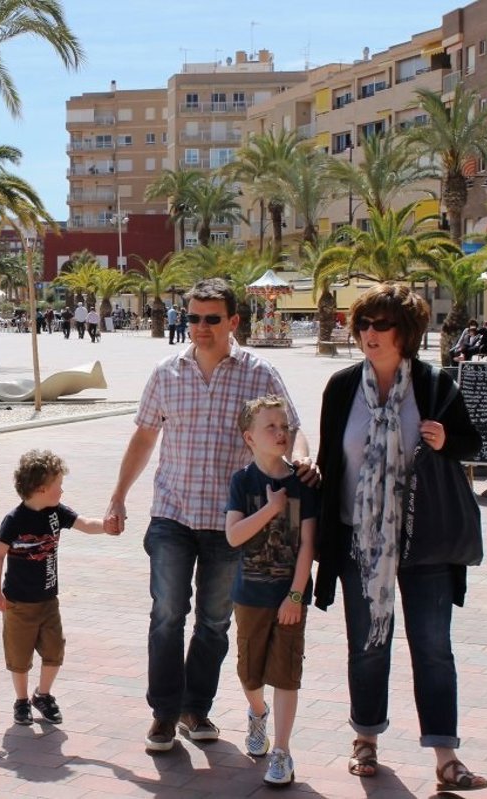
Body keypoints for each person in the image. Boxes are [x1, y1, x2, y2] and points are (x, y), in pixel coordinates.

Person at [104, 278, 312, 753]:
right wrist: (118, 496)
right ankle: (163, 714)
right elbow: (144, 437)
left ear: (233, 321)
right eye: (193, 317)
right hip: (172, 514)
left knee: (215, 621)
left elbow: (292, 427)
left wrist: (301, 457)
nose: (200, 326)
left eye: (211, 318)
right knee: (167, 614)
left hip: (230, 523)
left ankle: (195, 708)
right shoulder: (166, 372)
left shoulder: (259, 373)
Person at [314, 283, 487, 791]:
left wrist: (446, 440)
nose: (369, 333)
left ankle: (446, 757)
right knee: (368, 645)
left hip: (425, 542)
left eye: (381, 325)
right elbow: (330, 460)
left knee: (433, 647)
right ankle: (365, 739)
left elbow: (472, 443)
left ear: (405, 333)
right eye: (363, 324)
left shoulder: (433, 386)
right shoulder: (342, 387)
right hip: (359, 541)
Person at [225, 395, 318, 787]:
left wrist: (296, 595)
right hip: (249, 596)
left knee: (286, 674)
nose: (281, 434)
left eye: (284, 427)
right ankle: (257, 713)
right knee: (249, 673)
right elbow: (233, 536)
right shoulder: (242, 481)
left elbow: (308, 544)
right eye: (271, 427)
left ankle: (281, 751)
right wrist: (270, 509)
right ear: (250, 437)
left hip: (288, 597)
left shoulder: (303, 482)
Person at [0, 450, 112, 726]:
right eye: (59, 484)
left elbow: (85, 524)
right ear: (41, 489)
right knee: (19, 656)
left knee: (55, 651)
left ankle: (42, 695)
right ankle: (21, 701)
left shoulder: (56, 513)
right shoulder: (14, 520)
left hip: (48, 601)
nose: (62, 490)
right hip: (18, 604)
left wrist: (107, 526)